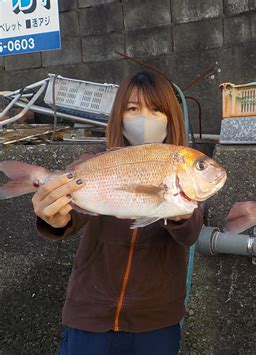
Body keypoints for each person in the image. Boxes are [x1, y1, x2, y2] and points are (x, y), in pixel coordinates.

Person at [32, 71, 203, 354]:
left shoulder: (183, 163)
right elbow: (74, 216)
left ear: (171, 118)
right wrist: (56, 218)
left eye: (157, 109)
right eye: (133, 108)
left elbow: (192, 231)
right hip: (90, 315)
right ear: (119, 116)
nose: (145, 118)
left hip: (156, 321)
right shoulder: (96, 161)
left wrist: (181, 213)